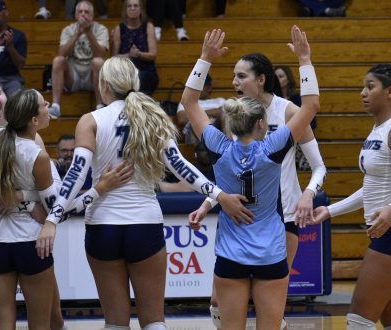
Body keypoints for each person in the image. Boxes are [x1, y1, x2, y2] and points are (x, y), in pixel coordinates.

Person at [40, 56, 251, 329]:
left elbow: (75, 176)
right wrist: (219, 194)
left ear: (103, 84)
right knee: (153, 321)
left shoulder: (90, 120)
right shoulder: (153, 116)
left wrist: (51, 220)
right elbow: (180, 166)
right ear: (134, 82)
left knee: (115, 322)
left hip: (102, 226)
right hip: (145, 224)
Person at [0, 88, 132, 329]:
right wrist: (99, 189)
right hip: (31, 244)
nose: (49, 107)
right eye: (45, 104)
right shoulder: (38, 156)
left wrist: (16, 196)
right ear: (34, 119)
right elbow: (59, 211)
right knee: (41, 325)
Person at [183, 26, 320, 329]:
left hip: (231, 252)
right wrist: (304, 59)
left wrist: (205, 58)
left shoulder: (218, 147)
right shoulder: (272, 149)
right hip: (270, 251)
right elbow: (311, 106)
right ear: (262, 124)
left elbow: (189, 102)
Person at [310, 63, 391, 329]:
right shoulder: (379, 130)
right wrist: (330, 211)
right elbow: (372, 189)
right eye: (363, 87)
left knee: (358, 320)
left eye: (370, 86)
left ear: (390, 91)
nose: (362, 93)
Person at [0, 82, 70, 330]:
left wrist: (23, 197)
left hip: (10, 234)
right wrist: (22, 202)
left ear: (9, 103)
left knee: (52, 317)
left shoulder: (32, 140)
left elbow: (51, 194)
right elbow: (54, 206)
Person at [49, 0, 109, 119]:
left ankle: (99, 105)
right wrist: (77, 34)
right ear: (76, 15)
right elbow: (61, 53)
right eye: (80, 12)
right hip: (73, 75)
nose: (83, 14)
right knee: (58, 61)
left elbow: (101, 54)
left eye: (86, 12)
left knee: (98, 62)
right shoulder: (68, 29)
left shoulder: (101, 29)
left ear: (92, 15)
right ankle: (55, 106)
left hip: (93, 76)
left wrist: (88, 32)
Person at [111, 0, 159, 96]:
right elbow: (114, 57)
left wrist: (139, 54)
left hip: (146, 72)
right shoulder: (119, 28)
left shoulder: (148, 26)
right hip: (125, 72)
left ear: (141, 10)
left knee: (141, 77)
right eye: (129, 6)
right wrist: (129, 55)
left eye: (136, 6)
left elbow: (153, 55)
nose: (132, 8)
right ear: (125, 10)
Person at [176, 74, 225, 144]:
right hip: (195, 135)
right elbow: (182, 119)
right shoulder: (187, 102)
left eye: (200, 86)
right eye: (194, 86)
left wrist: (193, 113)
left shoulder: (220, 101)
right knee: (194, 123)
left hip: (217, 131)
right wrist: (215, 112)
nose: (196, 89)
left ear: (209, 87)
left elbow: (225, 115)